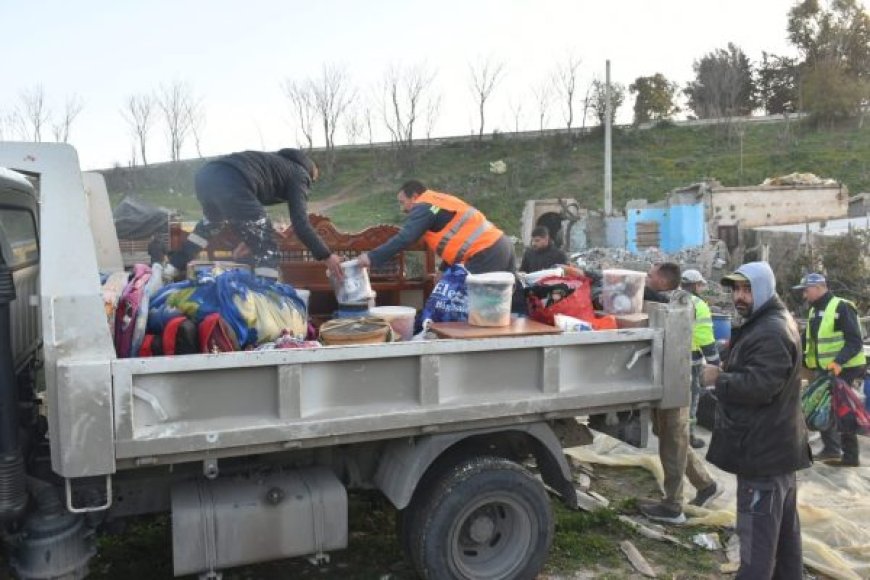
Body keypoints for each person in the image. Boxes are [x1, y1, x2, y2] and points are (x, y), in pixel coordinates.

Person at [703, 261, 811, 580]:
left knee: (756, 550)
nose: (739, 296)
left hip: (762, 457)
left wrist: (718, 379)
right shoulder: (767, 323)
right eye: (736, 289)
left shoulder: (771, 331)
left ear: (764, 288)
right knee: (785, 546)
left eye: (747, 289)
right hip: (775, 452)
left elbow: (759, 387)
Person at [165, 148, 343, 281]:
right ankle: (266, 300)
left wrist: (250, 238)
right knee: (267, 250)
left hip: (206, 176)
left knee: (208, 226)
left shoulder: (274, 164)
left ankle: (170, 269)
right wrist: (327, 256)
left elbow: (244, 211)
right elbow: (300, 223)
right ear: (310, 174)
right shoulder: (300, 174)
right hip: (233, 180)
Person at [639, 262, 721, 524]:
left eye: (650, 276)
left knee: (674, 436)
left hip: (682, 373)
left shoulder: (686, 301)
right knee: (666, 433)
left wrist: (714, 368)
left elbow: (705, 337)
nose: (647, 279)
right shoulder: (666, 298)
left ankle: (674, 506)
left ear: (663, 281)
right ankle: (705, 484)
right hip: (666, 374)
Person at [357, 180, 517, 276]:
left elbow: (406, 237)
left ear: (414, 196)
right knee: (505, 303)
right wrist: (442, 270)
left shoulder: (424, 206)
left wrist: (371, 257)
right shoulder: (438, 202)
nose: (402, 208)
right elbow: (456, 241)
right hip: (502, 245)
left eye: (402, 202)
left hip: (485, 253)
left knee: (471, 304)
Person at [793, 272, 866, 467]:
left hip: (845, 368)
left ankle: (849, 456)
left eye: (806, 291)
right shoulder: (814, 310)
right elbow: (809, 341)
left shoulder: (841, 307)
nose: (804, 295)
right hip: (825, 368)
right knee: (824, 406)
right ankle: (832, 449)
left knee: (841, 409)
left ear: (818, 288)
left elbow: (854, 341)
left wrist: (839, 362)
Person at [681, 269, 720, 449]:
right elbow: (705, 337)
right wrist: (715, 363)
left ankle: (672, 433)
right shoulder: (699, 305)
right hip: (691, 361)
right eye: (701, 285)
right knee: (692, 397)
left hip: (670, 356)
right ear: (696, 285)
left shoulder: (672, 298)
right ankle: (688, 436)